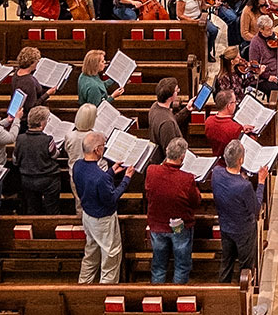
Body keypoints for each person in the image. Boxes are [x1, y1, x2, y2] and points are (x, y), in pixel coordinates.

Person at [71, 130, 134, 284]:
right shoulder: (101, 177)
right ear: (97, 150)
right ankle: (106, 290)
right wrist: (126, 179)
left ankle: (83, 285)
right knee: (111, 257)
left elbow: (93, 182)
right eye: (103, 147)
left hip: (88, 216)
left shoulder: (78, 165)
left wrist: (111, 172)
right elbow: (111, 198)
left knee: (91, 252)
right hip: (103, 220)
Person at [145, 137, 202, 284]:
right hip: (179, 227)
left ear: (166, 152)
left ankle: (156, 297)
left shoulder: (151, 171)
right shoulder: (187, 178)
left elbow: (149, 193)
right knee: (182, 265)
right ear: (183, 157)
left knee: (158, 265)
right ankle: (178, 295)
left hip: (157, 225)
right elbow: (196, 202)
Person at [211, 138, 269, 283]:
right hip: (243, 230)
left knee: (227, 261)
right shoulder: (244, 186)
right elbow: (255, 208)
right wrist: (261, 182)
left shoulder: (216, 173)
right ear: (241, 160)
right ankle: (244, 295)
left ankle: (223, 290)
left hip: (225, 226)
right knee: (245, 265)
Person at [15, 107, 63, 214]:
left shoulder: (20, 139)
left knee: (32, 209)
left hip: (28, 179)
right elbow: (55, 155)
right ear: (42, 123)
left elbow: (15, 160)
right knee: (52, 209)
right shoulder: (47, 140)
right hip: (48, 179)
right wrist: (58, 148)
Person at [0, 46, 46, 112]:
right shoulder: (29, 81)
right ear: (32, 63)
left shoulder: (17, 73)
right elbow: (31, 108)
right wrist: (47, 94)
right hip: (27, 118)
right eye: (37, 61)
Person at [147, 77, 185, 155]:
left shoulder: (155, 106)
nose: (178, 91)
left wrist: (187, 109)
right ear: (170, 97)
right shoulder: (167, 123)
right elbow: (170, 154)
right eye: (176, 90)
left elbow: (172, 120)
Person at [202, 89, 246, 156]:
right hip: (230, 162)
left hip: (216, 157)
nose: (236, 104)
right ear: (229, 106)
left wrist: (242, 129)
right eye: (234, 102)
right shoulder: (235, 128)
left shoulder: (209, 121)